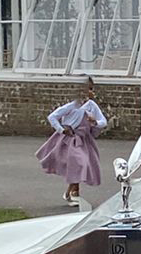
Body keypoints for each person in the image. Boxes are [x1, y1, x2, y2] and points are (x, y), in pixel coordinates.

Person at [36, 77, 107, 206]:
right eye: (87, 89)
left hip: (84, 140)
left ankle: (71, 192)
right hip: (70, 140)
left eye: (91, 89)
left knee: (81, 164)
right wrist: (61, 130)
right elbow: (52, 117)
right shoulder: (72, 106)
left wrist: (95, 122)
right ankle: (73, 193)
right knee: (80, 162)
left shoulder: (92, 106)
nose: (90, 92)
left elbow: (103, 121)